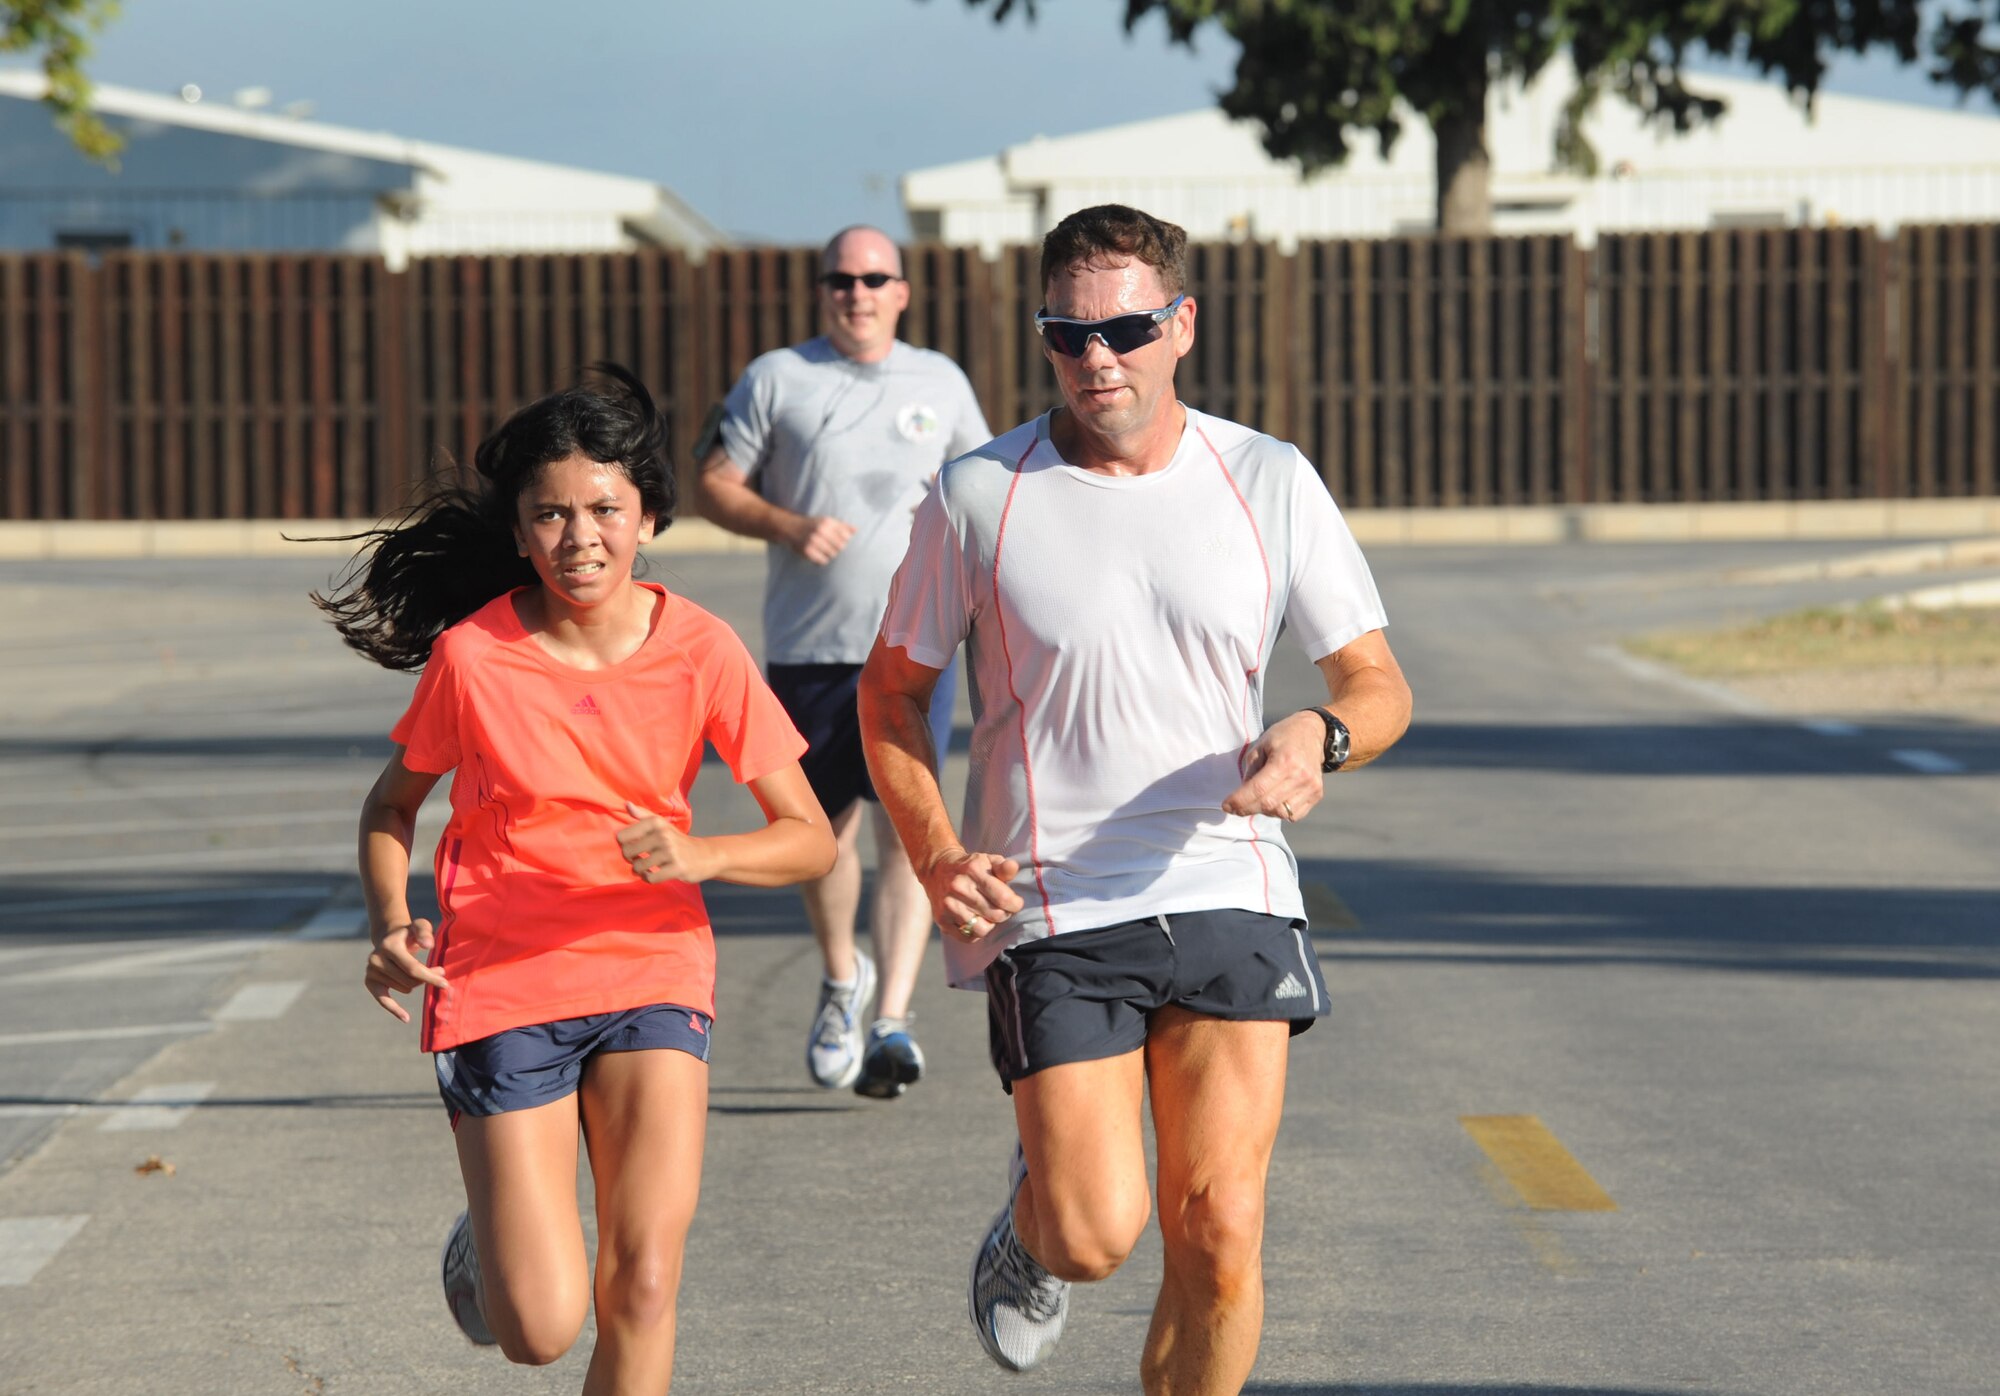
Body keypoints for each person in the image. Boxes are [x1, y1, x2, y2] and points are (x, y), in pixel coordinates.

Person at [858, 205, 1413, 1392]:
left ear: (1181, 326)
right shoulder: (976, 495)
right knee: (1096, 1231)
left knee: (1216, 1228)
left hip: (1229, 881)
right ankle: (1032, 1225)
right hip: (1052, 905)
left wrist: (1317, 736)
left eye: (1125, 328)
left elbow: (1375, 684)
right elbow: (890, 699)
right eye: (1069, 333)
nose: (1096, 357)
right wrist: (936, 852)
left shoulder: (1265, 477)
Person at [317, 363, 836, 1393]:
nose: (580, 535)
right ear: (517, 532)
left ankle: (519, 1229)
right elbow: (390, 807)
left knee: (642, 1283)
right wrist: (389, 922)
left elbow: (809, 837)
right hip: (501, 984)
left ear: (647, 515)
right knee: (541, 1328)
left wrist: (705, 856)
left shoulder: (701, 648)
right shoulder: (472, 658)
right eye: (549, 515)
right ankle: (493, 1243)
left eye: (604, 507)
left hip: (652, 971)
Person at [689, 225, 992, 1098]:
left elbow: (979, 485)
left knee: (910, 833)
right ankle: (839, 979)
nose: (855, 293)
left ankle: (892, 1020)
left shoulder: (939, 382)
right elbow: (715, 482)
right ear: (823, 291)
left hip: (915, 651)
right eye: (839, 280)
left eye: (873, 279)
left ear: (902, 291)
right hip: (811, 650)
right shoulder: (779, 377)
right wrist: (787, 525)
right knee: (821, 840)